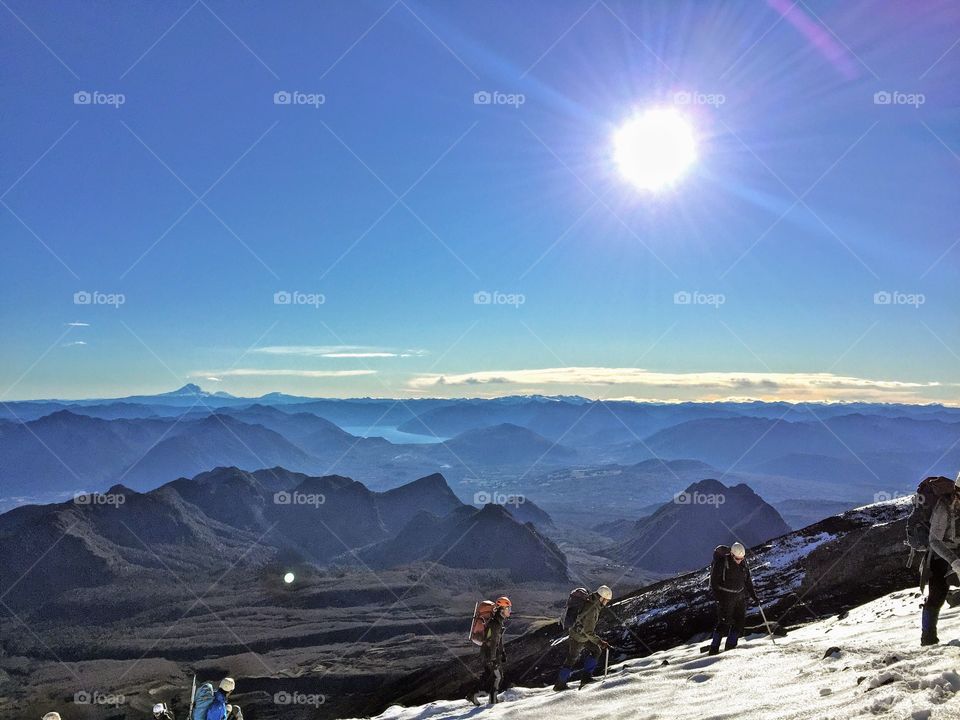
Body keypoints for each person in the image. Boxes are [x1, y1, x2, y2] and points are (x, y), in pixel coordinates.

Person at [921, 479, 960, 646]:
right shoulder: (943, 507)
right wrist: (953, 561)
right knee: (937, 596)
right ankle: (928, 639)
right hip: (940, 555)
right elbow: (934, 541)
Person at [553, 585, 612, 691]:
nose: (606, 603)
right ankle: (562, 684)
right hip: (579, 637)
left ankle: (580, 679)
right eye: (606, 600)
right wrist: (600, 642)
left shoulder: (590, 599)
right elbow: (588, 631)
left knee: (594, 651)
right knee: (572, 659)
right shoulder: (593, 608)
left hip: (577, 633)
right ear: (602, 598)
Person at [709, 542, 758, 655]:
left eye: (742, 558)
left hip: (739, 596)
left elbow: (747, 580)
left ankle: (730, 647)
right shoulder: (722, 563)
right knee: (724, 623)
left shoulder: (743, 563)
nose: (739, 560)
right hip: (725, 598)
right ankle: (714, 649)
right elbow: (714, 583)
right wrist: (719, 599)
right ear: (732, 554)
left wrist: (753, 595)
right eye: (737, 558)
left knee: (739, 622)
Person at [467, 596, 511, 706]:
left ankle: (472, 695)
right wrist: (493, 659)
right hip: (490, 654)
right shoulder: (495, 624)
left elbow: (498, 641)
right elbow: (493, 642)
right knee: (498, 676)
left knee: (488, 675)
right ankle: (492, 699)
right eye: (508, 609)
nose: (509, 611)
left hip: (486, 652)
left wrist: (503, 652)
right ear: (501, 609)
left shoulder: (497, 622)